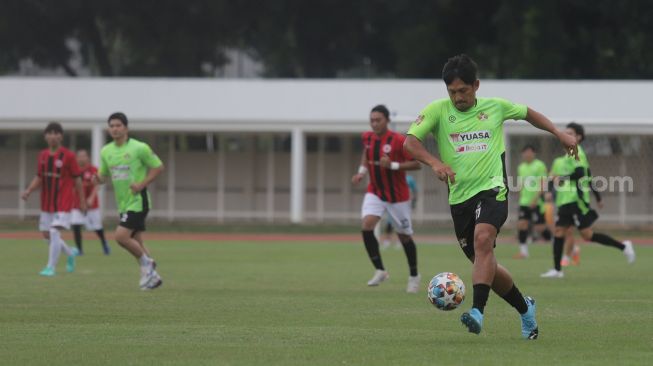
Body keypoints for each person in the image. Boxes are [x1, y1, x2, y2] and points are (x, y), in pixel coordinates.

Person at [404, 54, 578, 339]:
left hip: (493, 188)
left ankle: (477, 312)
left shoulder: (495, 107)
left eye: (463, 90)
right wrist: (435, 163)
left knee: (483, 239)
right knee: (487, 265)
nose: (458, 97)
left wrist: (558, 133)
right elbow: (410, 142)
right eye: (452, 92)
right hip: (460, 199)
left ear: (476, 85)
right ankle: (526, 309)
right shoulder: (437, 111)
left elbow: (528, 113)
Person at [540, 122, 635, 278]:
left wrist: (561, 179)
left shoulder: (576, 151)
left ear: (579, 137)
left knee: (583, 234)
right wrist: (550, 189)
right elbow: (587, 176)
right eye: (566, 133)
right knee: (566, 232)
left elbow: (580, 173)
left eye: (570, 133)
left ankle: (624, 246)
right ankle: (557, 270)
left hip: (575, 200)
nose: (566, 135)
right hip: (565, 200)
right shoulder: (564, 157)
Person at [351, 105, 422, 293]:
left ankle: (414, 275)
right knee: (367, 225)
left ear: (387, 120)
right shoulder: (367, 138)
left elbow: (417, 164)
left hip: (398, 196)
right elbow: (366, 155)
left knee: (404, 236)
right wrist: (361, 173)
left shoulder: (399, 140)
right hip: (375, 191)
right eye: (372, 120)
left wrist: (393, 165)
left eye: (378, 120)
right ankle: (380, 270)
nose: (374, 123)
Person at [95, 112, 164, 290]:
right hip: (123, 203)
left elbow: (158, 167)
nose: (115, 129)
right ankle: (153, 277)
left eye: (118, 125)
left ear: (126, 128)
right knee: (137, 241)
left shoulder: (139, 148)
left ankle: (146, 264)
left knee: (121, 236)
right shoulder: (106, 151)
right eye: (112, 126)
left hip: (138, 201)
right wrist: (94, 179)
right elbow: (103, 176)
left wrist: (142, 184)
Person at [21, 122, 85, 276]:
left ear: (61, 136)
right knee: (47, 235)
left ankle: (51, 267)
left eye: (56, 133)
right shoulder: (42, 155)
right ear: (45, 136)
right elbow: (39, 176)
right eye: (50, 133)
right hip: (47, 203)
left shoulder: (68, 156)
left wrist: (82, 201)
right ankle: (70, 254)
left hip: (63, 203)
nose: (53, 136)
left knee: (54, 232)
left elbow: (77, 179)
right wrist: (28, 190)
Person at [70, 149, 111, 255]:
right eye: (79, 156)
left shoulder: (93, 169)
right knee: (76, 225)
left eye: (84, 156)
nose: (81, 158)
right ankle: (79, 250)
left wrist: (91, 198)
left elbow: (97, 185)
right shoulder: (73, 170)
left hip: (92, 205)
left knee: (97, 227)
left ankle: (104, 242)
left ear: (88, 157)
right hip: (77, 205)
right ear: (76, 158)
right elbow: (71, 187)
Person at [514, 144, 551, 259]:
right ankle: (524, 252)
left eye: (530, 152)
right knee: (522, 224)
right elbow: (521, 184)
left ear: (534, 153)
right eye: (525, 152)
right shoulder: (521, 167)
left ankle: (555, 242)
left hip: (536, 201)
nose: (527, 154)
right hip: (524, 202)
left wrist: (535, 199)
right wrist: (519, 195)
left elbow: (543, 183)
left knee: (540, 228)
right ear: (522, 154)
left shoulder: (539, 165)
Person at [378, 174, 418, 250]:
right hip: (393, 203)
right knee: (390, 222)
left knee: (403, 223)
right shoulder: (391, 177)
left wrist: (414, 202)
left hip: (405, 203)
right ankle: (387, 241)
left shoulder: (409, 179)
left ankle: (402, 241)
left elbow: (415, 190)